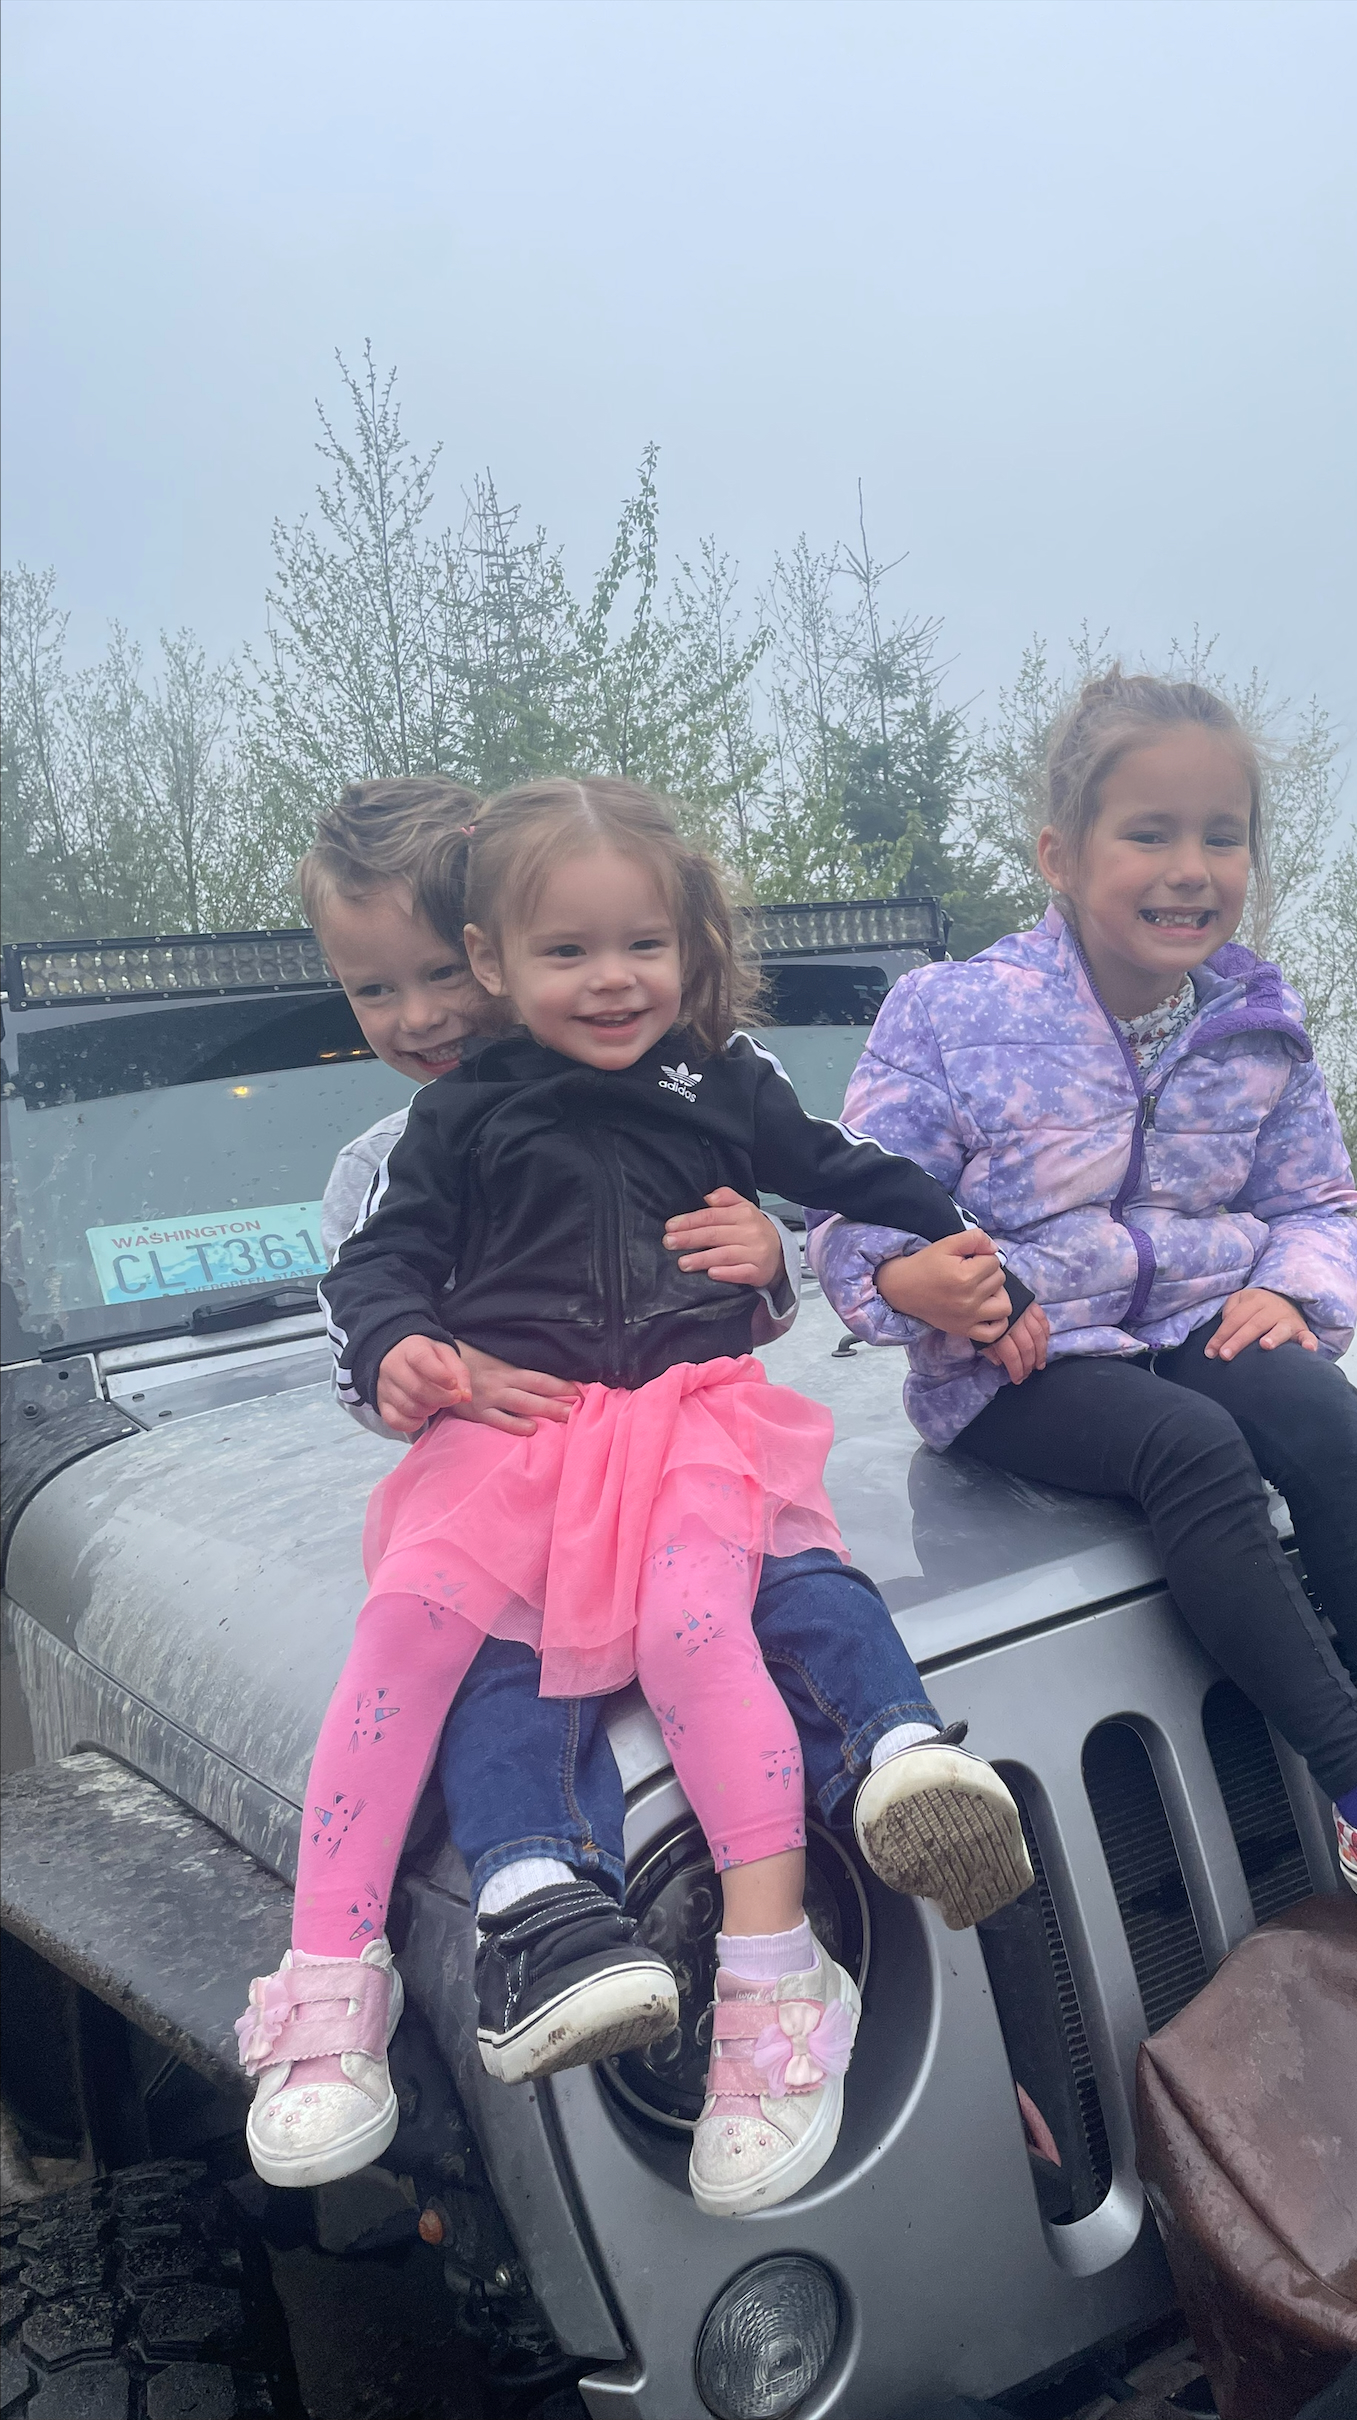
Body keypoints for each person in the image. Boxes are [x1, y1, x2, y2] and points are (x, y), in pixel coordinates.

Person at [242, 775, 1032, 2218]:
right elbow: (372, 1290)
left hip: (675, 1436)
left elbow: (798, 1203)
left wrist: (773, 1253)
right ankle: (421, 1956)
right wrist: (413, 1354)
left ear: (483, 945)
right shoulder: (416, 1140)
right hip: (510, 1469)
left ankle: (843, 1877)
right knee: (440, 1651)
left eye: (437, 971)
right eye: (380, 988)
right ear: (511, 953)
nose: (422, 1017)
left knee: (728, 1610)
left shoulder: (701, 1080)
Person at [808, 671, 1357, 1969]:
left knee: (1307, 1397)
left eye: (1222, 834)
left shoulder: (1254, 1022)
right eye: (1150, 833)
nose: (1191, 867)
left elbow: (1319, 1200)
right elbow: (856, 1196)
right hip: (1023, 1361)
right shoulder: (955, 1013)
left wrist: (1292, 1285)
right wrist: (909, 1279)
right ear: (1061, 853)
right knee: (1189, 1448)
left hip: (1194, 1317)